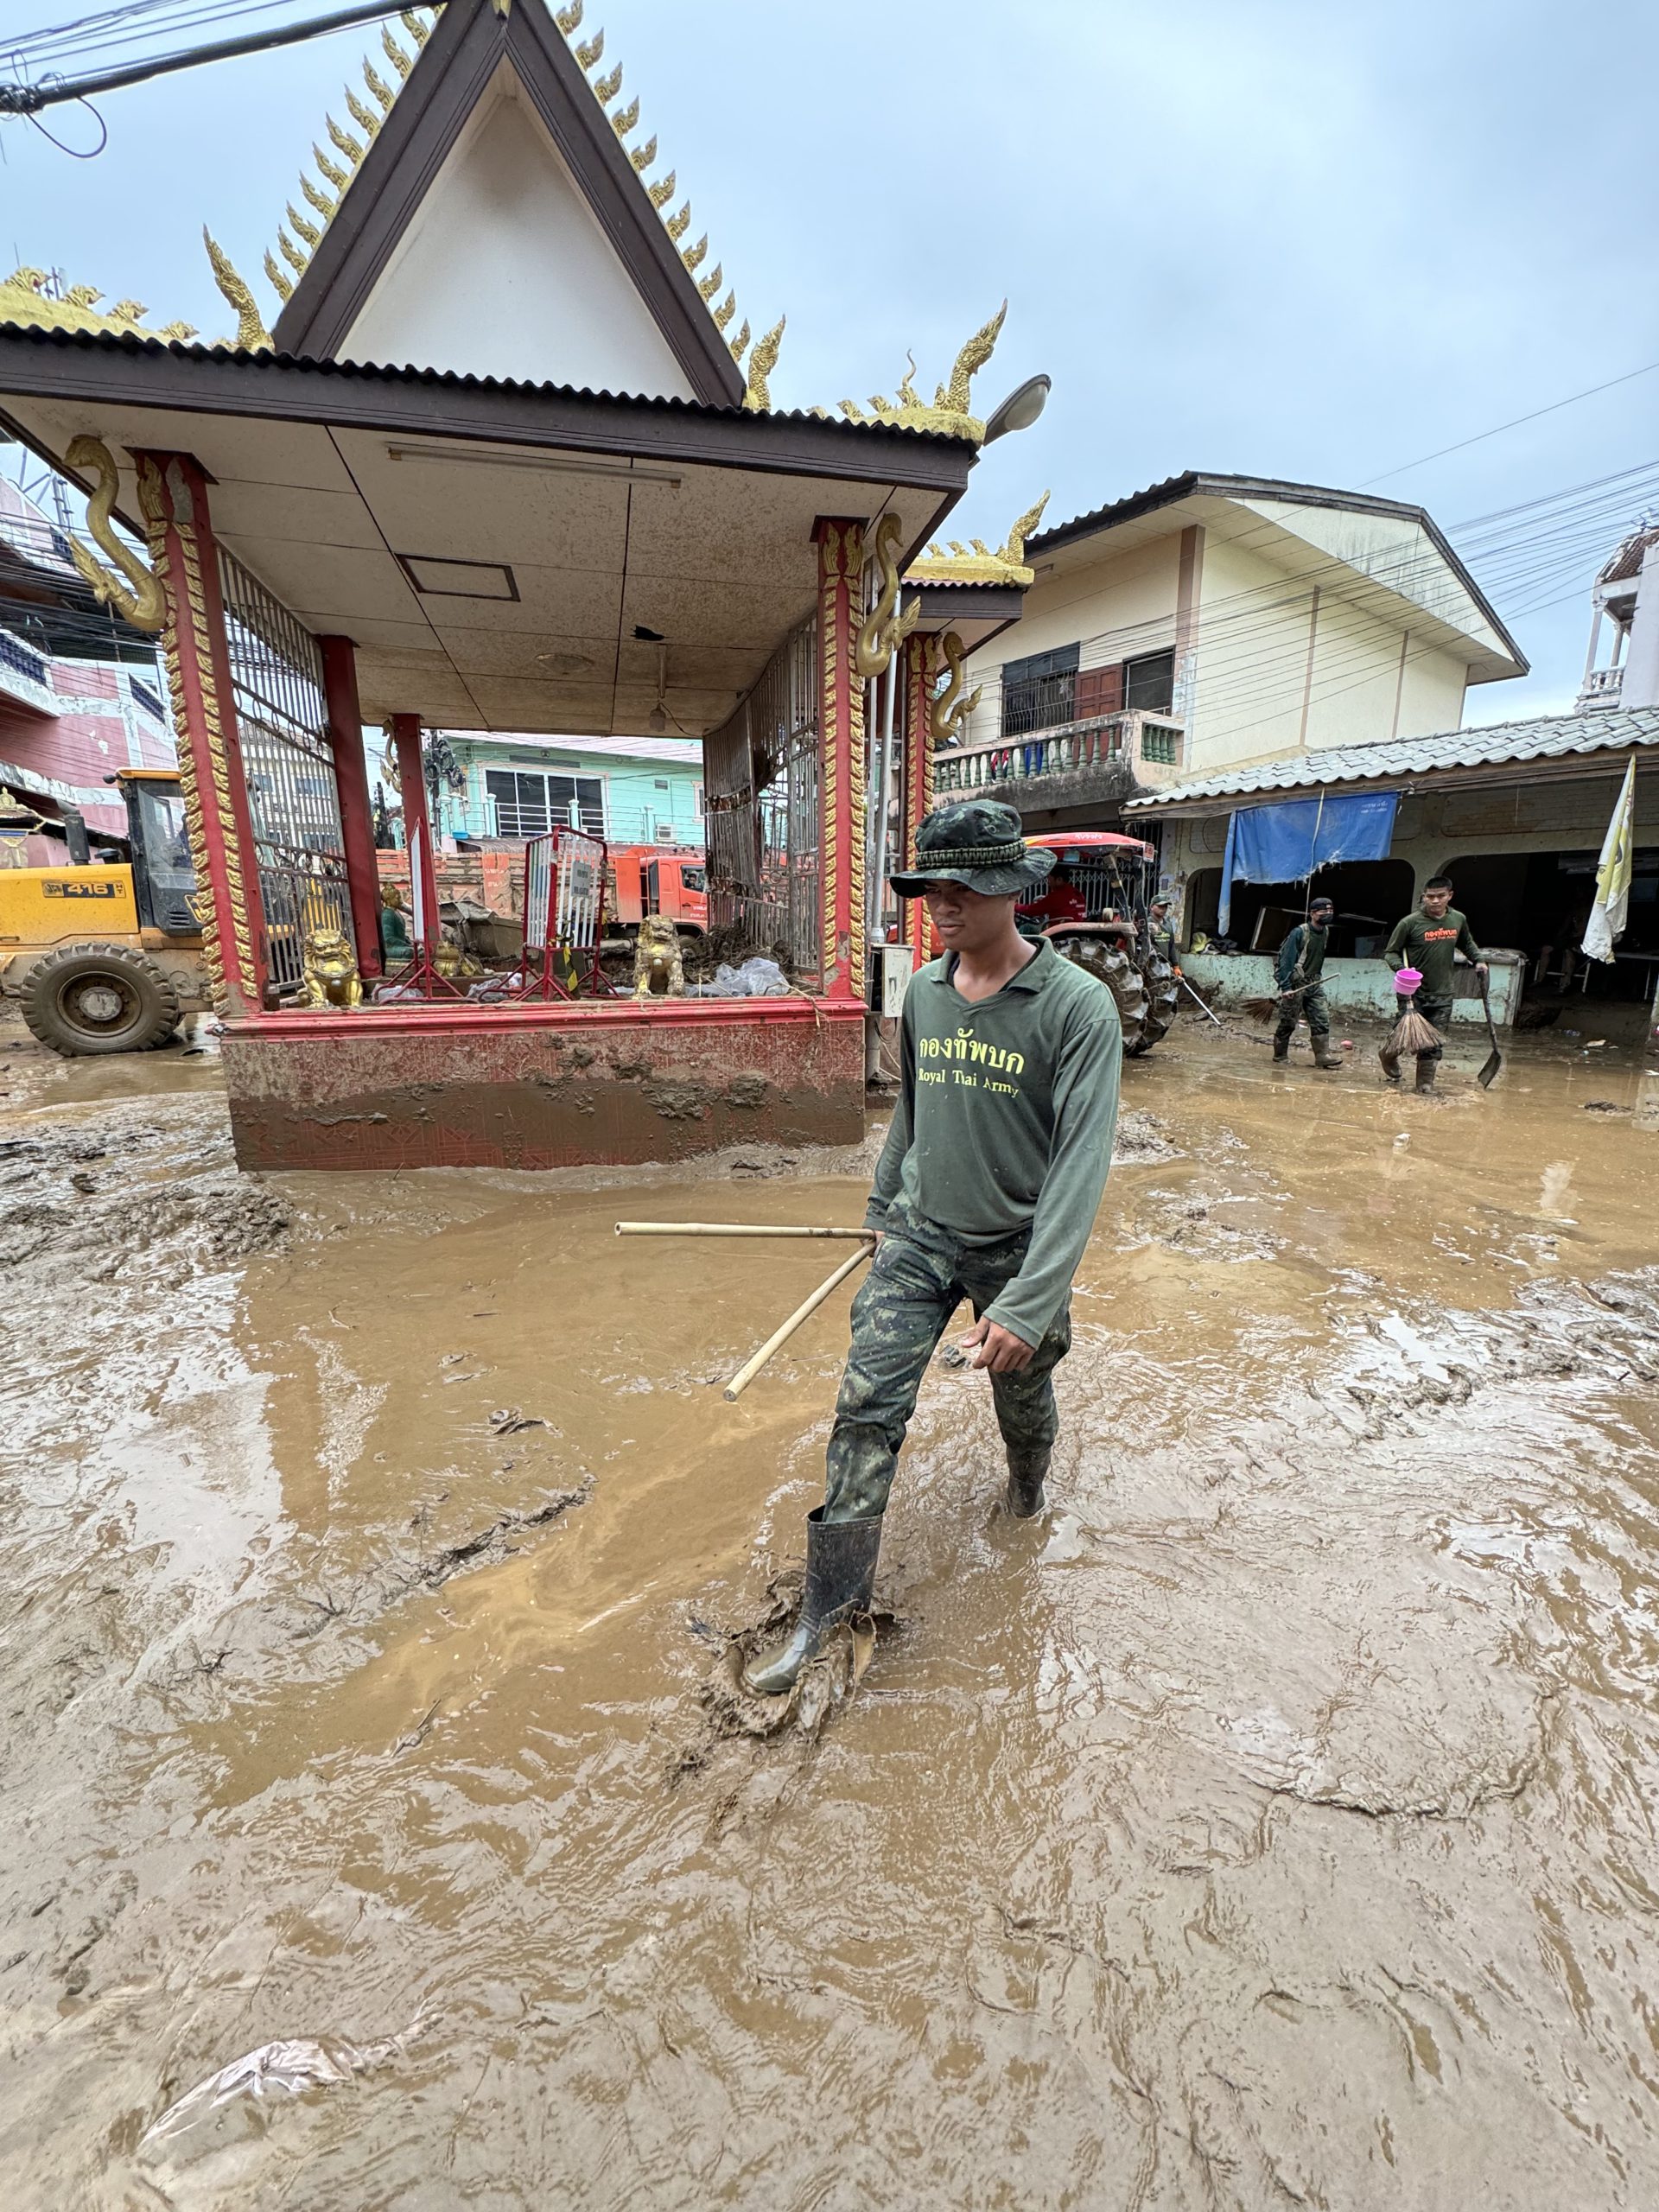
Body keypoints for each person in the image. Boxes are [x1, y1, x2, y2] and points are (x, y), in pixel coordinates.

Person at [743, 800, 1122, 1698]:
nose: (940, 903)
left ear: (1011, 893)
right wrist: (883, 1207)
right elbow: (911, 1111)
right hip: (919, 1235)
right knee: (865, 1403)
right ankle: (829, 1613)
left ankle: (1027, 1488)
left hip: (1018, 1250)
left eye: (962, 887)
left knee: (1020, 1399)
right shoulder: (923, 992)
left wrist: (1029, 1302)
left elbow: (1080, 1169)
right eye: (929, 886)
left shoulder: (1078, 1008)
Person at [1381, 876, 1488, 1092]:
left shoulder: (1457, 919)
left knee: (1433, 1041)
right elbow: (1390, 952)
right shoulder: (1409, 923)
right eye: (1430, 896)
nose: (1435, 901)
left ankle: (1425, 1084)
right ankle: (1388, 1054)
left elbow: (1466, 943)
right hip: (1413, 991)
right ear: (1424, 896)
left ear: (1450, 896)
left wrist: (1479, 960)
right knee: (1403, 1035)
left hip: (1443, 992)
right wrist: (1401, 968)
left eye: (1440, 896)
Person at [1274, 895, 1339, 1070]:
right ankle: (1280, 1056)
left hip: (1315, 983)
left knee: (1321, 1018)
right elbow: (1286, 962)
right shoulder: (1300, 933)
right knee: (1288, 1020)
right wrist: (1286, 987)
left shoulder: (1325, 931)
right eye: (1324, 911)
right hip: (1297, 983)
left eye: (1331, 911)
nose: (1328, 914)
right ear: (1312, 913)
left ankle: (1322, 1056)